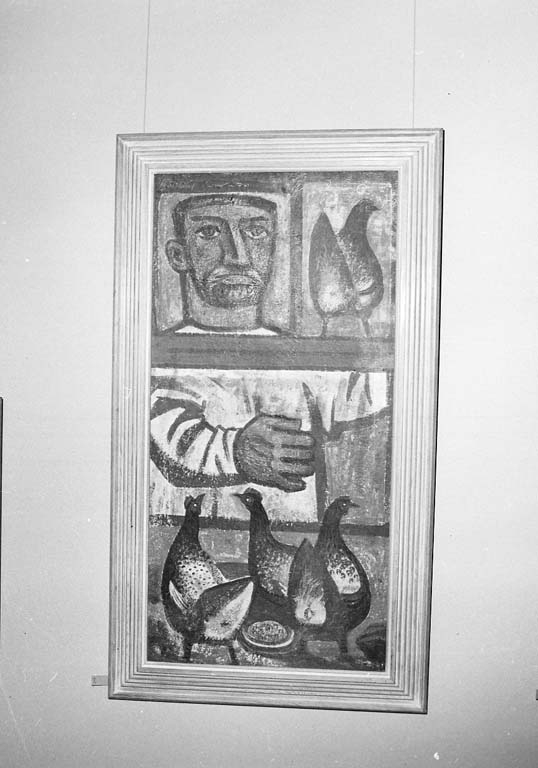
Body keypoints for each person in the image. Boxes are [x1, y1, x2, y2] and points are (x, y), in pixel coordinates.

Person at [150, 192, 389, 522]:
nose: (237, 256)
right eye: (209, 232)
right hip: (197, 536)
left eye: (255, 232)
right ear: (179, 255)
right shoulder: (169, 351)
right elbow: (169, 437)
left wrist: (352, 314)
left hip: (293, 539)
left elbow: (365, 399)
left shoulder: (298, 353)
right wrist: (237, 452)